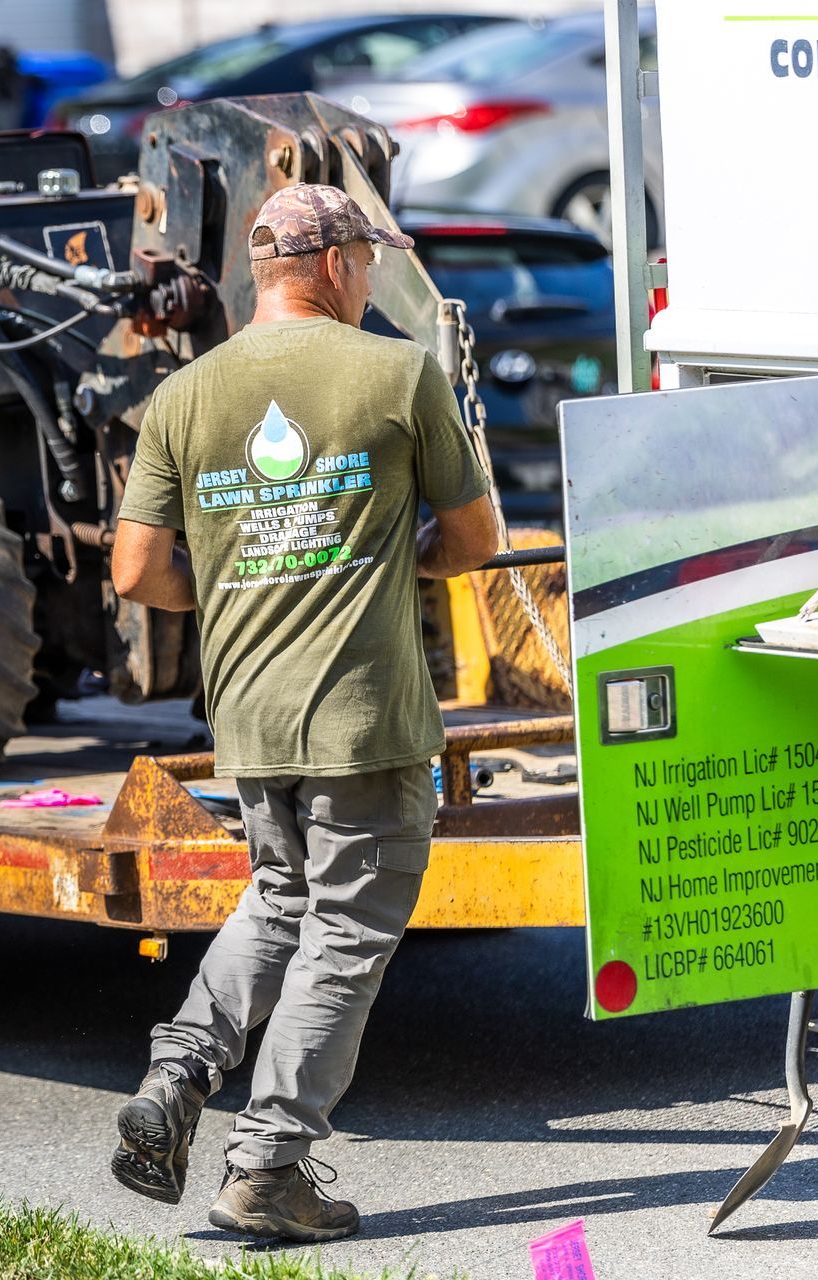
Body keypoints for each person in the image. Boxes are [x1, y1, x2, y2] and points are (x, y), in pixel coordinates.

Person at [105, 182, 499, 1242]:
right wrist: (398, 557)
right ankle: (268, 1167)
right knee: (347, 931)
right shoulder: (397, 372)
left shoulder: (183, 396)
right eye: (368, 260)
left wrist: (233, 582)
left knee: (279, 896)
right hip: (361, 716)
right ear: (330, 266)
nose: (373, 278)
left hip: (249, 717)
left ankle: (178, 1068)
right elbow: (475, 540)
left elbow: (136, 569)